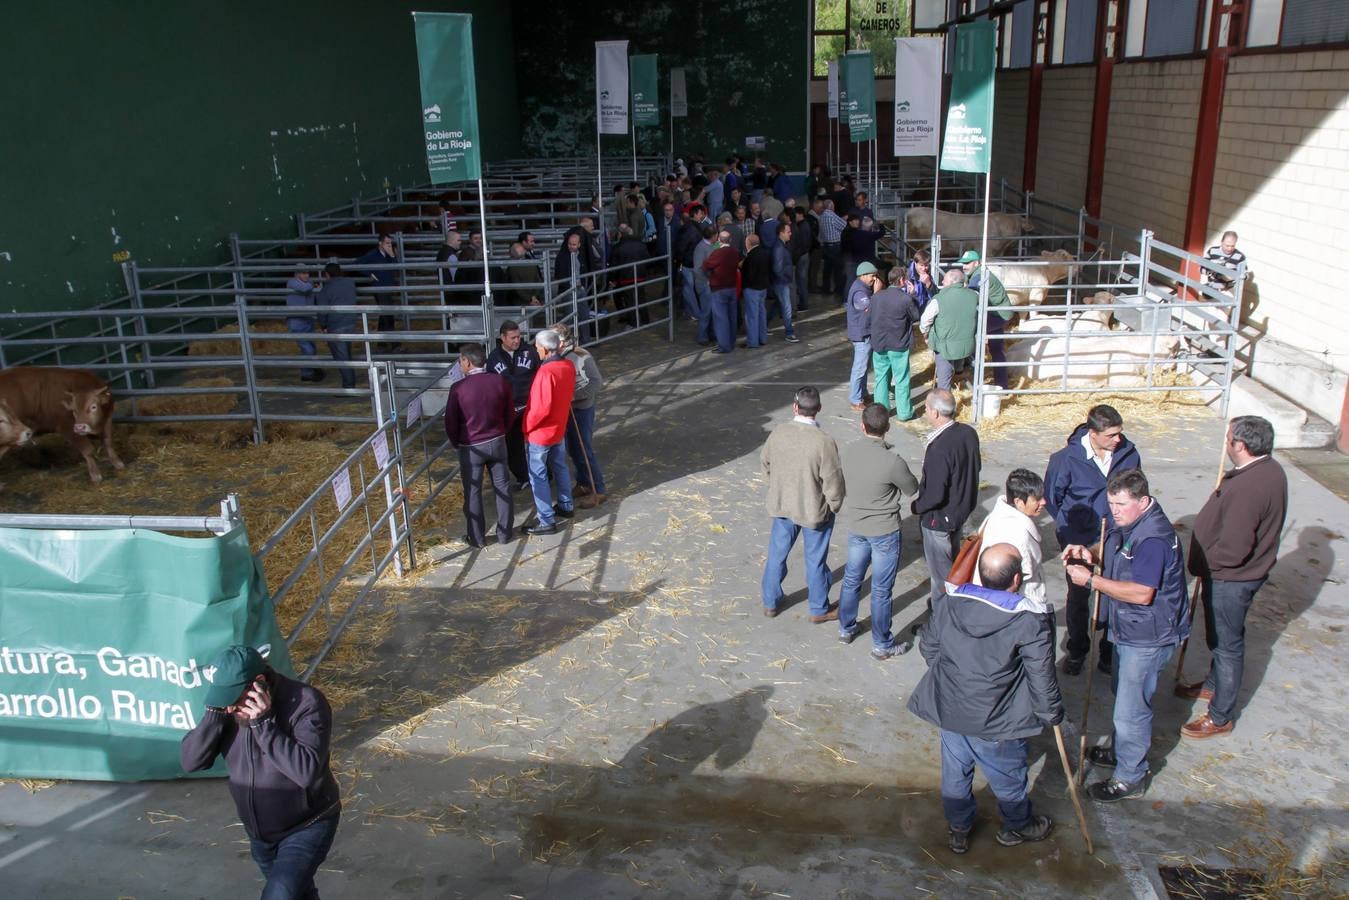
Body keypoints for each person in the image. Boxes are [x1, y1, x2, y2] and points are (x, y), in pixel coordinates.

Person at [907, 544, 1062, 853]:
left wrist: (953, 678)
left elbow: (930, 647)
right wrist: (1051, 714)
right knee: (1008, 775)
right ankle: (1016, 826)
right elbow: (1041, 676)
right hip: (997, 717)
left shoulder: (950, 603)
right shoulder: (1028, 620)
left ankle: (959, 828)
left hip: (951, 707)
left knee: (955, 770)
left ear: (981, 573)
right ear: (1016, 579)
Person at [1063, 469, 1189, 802]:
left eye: (1121, 504)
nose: (1114, 511)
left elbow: (1141, 593)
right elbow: (1116, 550)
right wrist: (1092, 553)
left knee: (1131, 710)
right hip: (1130, 629)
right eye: (1111, 503)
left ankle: (1130, 775)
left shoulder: (1153, 539)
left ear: (1142, 501)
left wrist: (1090, 581)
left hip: (1147, 635)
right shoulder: (1130, 525)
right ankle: (1121, 752)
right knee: (1124, 696)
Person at [180, 645, 340, 898]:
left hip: (306, 826)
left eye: (235, 699)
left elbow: (305, 772)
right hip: (260, 834)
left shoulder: (306, 702)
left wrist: (263, 724)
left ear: (259, 684)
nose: (231, 708)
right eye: (224, 699)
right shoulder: (226, 708)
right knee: (298, 894)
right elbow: (190, 762)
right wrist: (214, 715)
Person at [1177, 415, 1288, 739]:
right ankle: (1213, 686)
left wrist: (1206, 563)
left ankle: (1220, 715)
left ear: (1239, 445)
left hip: (1231, 578)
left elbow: (1235, 547)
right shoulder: (1270, 470)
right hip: (1237, 575)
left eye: (1228, 439)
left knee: (1226, 645)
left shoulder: (1248, 487)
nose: (1225, 444)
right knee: (1220, 637)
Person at [1044, 404, 1142, 675]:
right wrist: (1072, 530)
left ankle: (1109, 652)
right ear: (1093, 433)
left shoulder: (1129, 454)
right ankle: (1077, 650)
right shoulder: (1065, 459)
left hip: (1116, 537)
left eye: (1119, 433)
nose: (1117, 439)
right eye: (1111, 435)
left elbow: (1136, 490)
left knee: (1114, 592)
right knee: (1078, 594)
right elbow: (1054, 499)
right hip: (1079, 539)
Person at [837, 403, 920, 659]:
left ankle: (846, 627)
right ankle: (881, 644)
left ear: (862, 426)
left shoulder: (849, 451)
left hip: (857, 526)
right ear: (887, 428)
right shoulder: (892, 461)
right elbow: (911, 488)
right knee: (882, 589)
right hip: (884, 530)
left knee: (852, 578)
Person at [760, 386, 845, 621]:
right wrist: (834, 504)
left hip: (782, 505)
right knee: (815, 559)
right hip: (814, 510)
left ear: (795, 407)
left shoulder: (779, 432)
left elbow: (765, 463)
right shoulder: (824, 441)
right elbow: (833, 480)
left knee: (777, 554)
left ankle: (770, 601)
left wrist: (776, 487)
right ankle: (819, 608)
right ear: (818, 409)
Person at [911, 389, 981, 629]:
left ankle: (942, 626)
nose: (926, 412)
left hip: (938, 519)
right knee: (953, 566)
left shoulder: (939, 447)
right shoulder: (968, 433)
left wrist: (917, 506)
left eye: (927, 408)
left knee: (942, 578)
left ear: (936, 412)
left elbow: (935, 493)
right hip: (959, 512)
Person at [443, 343, 515, 548]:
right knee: (502, 487)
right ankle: (505, 533)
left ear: (466, 362)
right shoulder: (499, 381)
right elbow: (510, 412)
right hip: (497, 440)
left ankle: (477, 537)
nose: (460, 364)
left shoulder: (458, 389)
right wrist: (503, 430)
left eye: (460, 361)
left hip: (471, 445)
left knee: (473, 491)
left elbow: (451, 421)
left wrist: (456, 441)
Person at [522, 329, 576, 536]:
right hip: (559, 427)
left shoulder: (546, 372)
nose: (536, 350)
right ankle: (566, 505)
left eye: (536, 347)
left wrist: (526, 427)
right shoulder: (568, 365)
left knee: (538, 475)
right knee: (560, 466)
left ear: (544, 349)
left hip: (541, 432)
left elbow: (540, 409)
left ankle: (546, 520)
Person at [973, 469, 1049, 612]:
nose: (1043, 502)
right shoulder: (1019, 534)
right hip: (1019, 605)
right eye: (1037, 499)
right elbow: (1018, 578)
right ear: (1019, 502)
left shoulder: (997, 515)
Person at [554, 323, 607, 509]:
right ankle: (583, 482)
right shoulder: (557, 357)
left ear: (562, 341)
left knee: (584, 448)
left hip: (582, 409)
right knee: (573, 449)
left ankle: (598, 489)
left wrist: (573, 397)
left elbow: (596, 382)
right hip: (568, 410)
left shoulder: (581, 356)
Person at [486, 320, 540, 489]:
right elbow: (491, 384)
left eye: (519, 336)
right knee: (513, 445)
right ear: (502, 337)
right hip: (508, 411)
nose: (517, 341)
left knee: (537, 444)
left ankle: (544, 474)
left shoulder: (530, 352)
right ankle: (523, 477)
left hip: (530, 407)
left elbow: (540, 376)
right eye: (512, 338)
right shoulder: (494, 357)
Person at [869, 267, 922, 420]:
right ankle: (904, 413)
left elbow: (869, 317)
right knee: (901, 379)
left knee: (880, 379)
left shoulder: (876, 297)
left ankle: (881, 413)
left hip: (879, 344)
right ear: (902, 281)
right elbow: (916, 316)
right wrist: (913, 295)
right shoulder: (905, 299)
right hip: (899, 345)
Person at [959, 250, 1015, 389]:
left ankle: (972, 375)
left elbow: (972, 294)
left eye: (967, 263)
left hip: (996, 314)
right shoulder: (977, 273)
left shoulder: (978, 276)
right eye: (963, 264)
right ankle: (1002, 385)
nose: (964, 266)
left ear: (976, 263)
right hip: (1000, 314)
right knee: (997, 350)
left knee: (971, 333)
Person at [920, 269, 980, 391]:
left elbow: (925, 320)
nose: (942, 281)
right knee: (959, 352)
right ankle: (958, 373)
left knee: (944, 381)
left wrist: (925, 335)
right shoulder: (975, 296)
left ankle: (945, 405)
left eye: (945, 279)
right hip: (965, 345)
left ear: (952, 282)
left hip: (945, 347)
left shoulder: (939, 299)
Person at [844, 262, 883, 411]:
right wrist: (877, 292)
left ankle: (863, 393)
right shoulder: (859, 292)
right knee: (860, 367)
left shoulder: (863, 287)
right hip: (861, 335)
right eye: (872, 276)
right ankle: (855, 399)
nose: (874, 279)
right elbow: (869, 310)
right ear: (864, 275)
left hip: (864, 332)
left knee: (864, 366)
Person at [356, 233, 402, 351]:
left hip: (388, 288)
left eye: (390, 243)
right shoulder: (372, 254)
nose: (389, 245)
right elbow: (357, 263)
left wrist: (392, 255)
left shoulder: (389, 255)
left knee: (384, 315)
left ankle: (381, 344)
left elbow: (395, 268)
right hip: (379, 288)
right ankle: (394, 344)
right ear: (380, 243)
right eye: (387, 243)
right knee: (388, 314)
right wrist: (369, 274)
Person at [317, 262, 359, 389]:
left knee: (341, 356)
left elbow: (322, 309)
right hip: (350, 321)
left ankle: (349, 385)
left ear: (327, 274)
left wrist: (323, 325)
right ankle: (350, 382)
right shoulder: (349, 283)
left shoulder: (326, 288)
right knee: (347, 353)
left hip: (335, 324)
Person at [703, 228, 740, 353]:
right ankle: (731, 341)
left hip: (719, 288)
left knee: (721, 318)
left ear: (719, 240)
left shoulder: (717, 253)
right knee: (732, 316)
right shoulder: (735, 252)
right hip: (732, 287)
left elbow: (706, 265)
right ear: (730, 240)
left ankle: (724, 346)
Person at [284, 267, 321, 383]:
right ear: (296, 274)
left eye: (307, 273)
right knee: (307, 349)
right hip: (297, 321)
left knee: (310, 348)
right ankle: (308, 373)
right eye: (303, 273)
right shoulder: (292, 282)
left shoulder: (307, 283)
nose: (306, 275)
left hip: (307, 319)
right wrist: (313, 286)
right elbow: (304, 289)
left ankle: (308, 372)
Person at [740, 233, 770, 349]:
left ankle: (752, 342)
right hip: (763, 288)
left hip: (752, 289)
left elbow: (749, 275)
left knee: (752, 316)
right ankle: (762, 338)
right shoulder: (765, 253)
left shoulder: (750, 257)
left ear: (749, 243)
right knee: (762, 313)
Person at [771, 221, 799, 343]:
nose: (790, 234)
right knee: (787, 308)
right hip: (782, 282)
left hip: (781, 281)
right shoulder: (779, 248)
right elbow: (777, 268)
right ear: (781, 233)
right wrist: (784, 279)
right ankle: (789, 332)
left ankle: (764, 324)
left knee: (777, 305)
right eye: (788, 231)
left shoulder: (781, 246)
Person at [817, 199, 847, 296]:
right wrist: (844, 218)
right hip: (835, 246)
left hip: (825, 246)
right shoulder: (832, 215)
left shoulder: (821, 217)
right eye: (833, 206)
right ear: (830, 207)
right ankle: (838, 290)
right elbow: (844, 226)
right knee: (838, 269)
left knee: (827, 269)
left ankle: (826, 289)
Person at [502, 241, 544, 308]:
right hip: (529, 300)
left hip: (521, 302)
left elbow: (516, 287)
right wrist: (534, 297)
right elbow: (538, 281)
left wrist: (532, 298)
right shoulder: (532, 264)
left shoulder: (513, 267)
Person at [436, 230, 462, 299]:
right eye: (458, 240)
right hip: (453, 292)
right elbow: (456, 277)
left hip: (445, 290)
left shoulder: (441, 252)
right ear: (452, 241)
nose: (460, 242)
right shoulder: (451, 255)